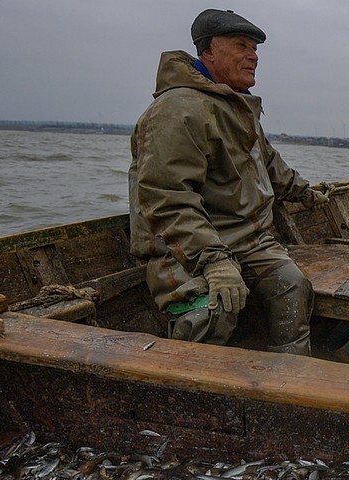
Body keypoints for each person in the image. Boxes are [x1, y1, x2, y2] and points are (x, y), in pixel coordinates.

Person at [129, 8, 328, 355]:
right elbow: (167, 198)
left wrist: (306, 193)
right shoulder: (179, 110)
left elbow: (268, 164)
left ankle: (291, 379)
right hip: (182, 248)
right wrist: (214, 260)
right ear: (207, 51)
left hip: (247, 241)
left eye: (255, 48)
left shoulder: (236, 106)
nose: (252, 56)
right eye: (240, 45)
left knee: (292, 285)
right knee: (212, 310)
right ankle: (192, 389)